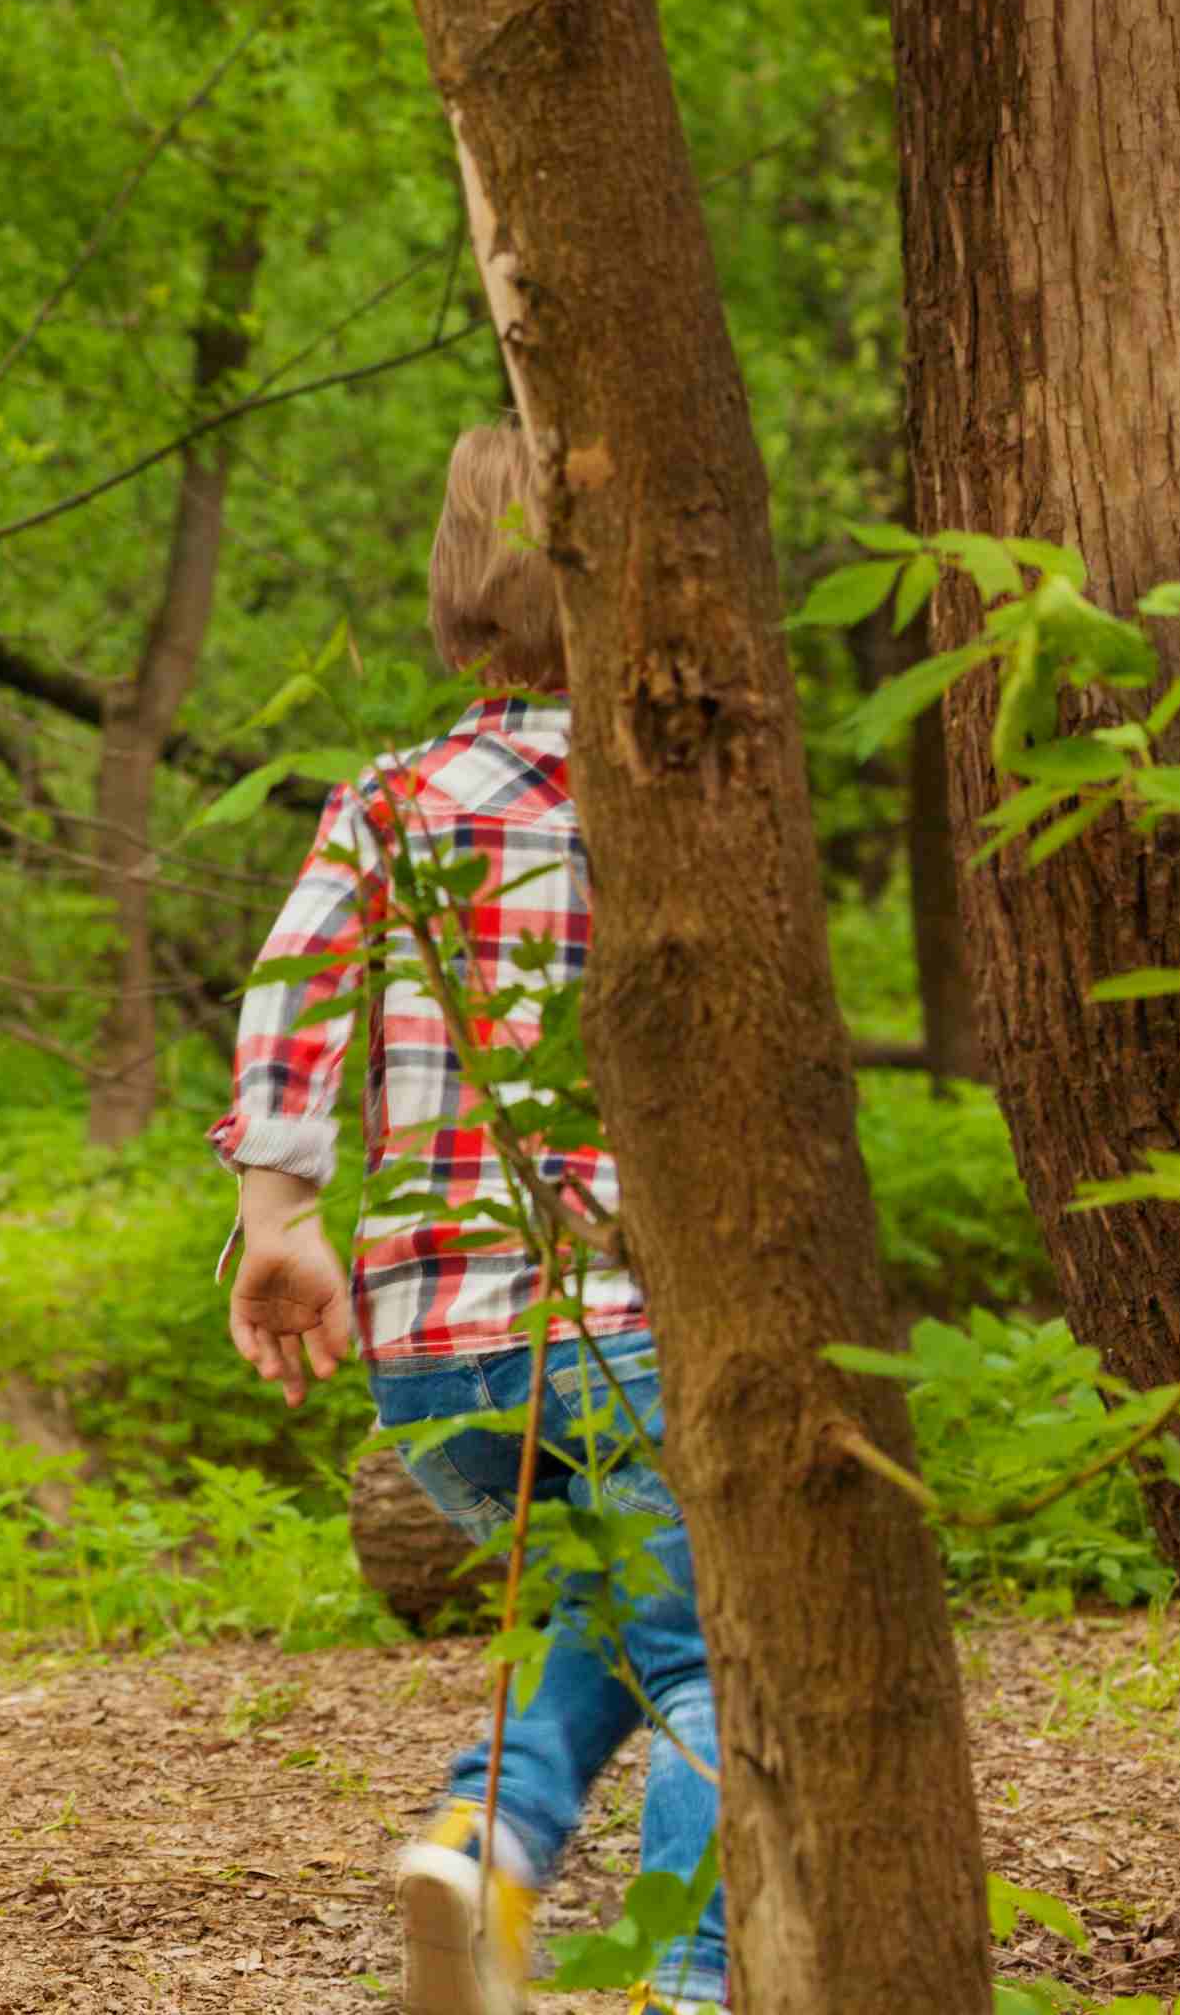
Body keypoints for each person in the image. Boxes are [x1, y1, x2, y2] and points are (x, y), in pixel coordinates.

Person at [215, 420, 727, 2013]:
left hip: (435, 1352)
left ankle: (479, 1841)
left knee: (599, 1607)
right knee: (717, 1654)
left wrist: (275, 1217)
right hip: (620, 1317)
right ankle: (695, 1982)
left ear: (459, 596)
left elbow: (288, 1004)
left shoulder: (383, 798)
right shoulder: (672, 793)